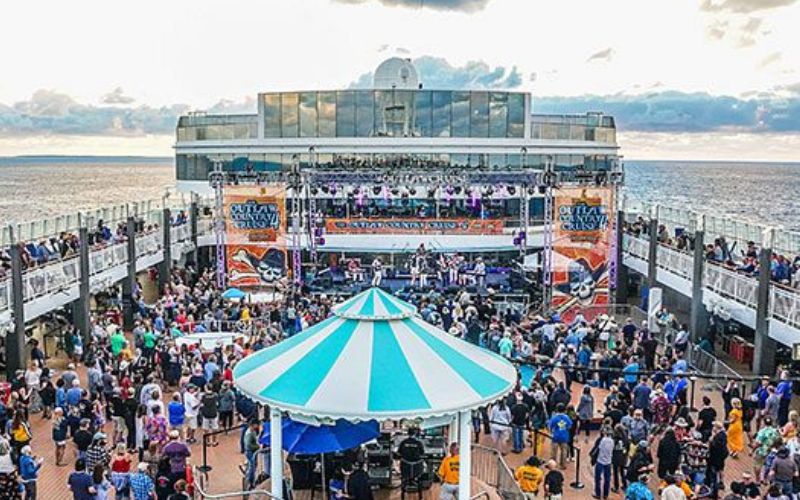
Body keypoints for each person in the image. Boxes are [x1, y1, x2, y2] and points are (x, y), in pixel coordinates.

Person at [590, 426, 614, 500]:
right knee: (607, 479)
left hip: (600, 461)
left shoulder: (603, 440)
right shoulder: (612, 441)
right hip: (608, 462)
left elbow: (598, 450)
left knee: (597, 479)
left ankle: (598, 494)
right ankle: (606, 495)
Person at [547, 404, 573, 470]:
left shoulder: (554, 417)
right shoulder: (567, 417)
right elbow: (570, 426)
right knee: (564, 451)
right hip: (564, 436)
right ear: (564, 410)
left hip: (556, 436)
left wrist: (551, 431)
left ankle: (553, 465)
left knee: (553, 452)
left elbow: (550, 426)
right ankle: (563, 465)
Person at [243, 420, 261, 489]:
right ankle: (250, 482)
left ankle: (251, 480)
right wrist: (258, 447)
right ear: (254, 425)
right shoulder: (249, 434)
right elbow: (248, 445)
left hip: (252, 451)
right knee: (252, 467)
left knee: (253, 465)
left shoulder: (252, 431)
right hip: (250, 452)